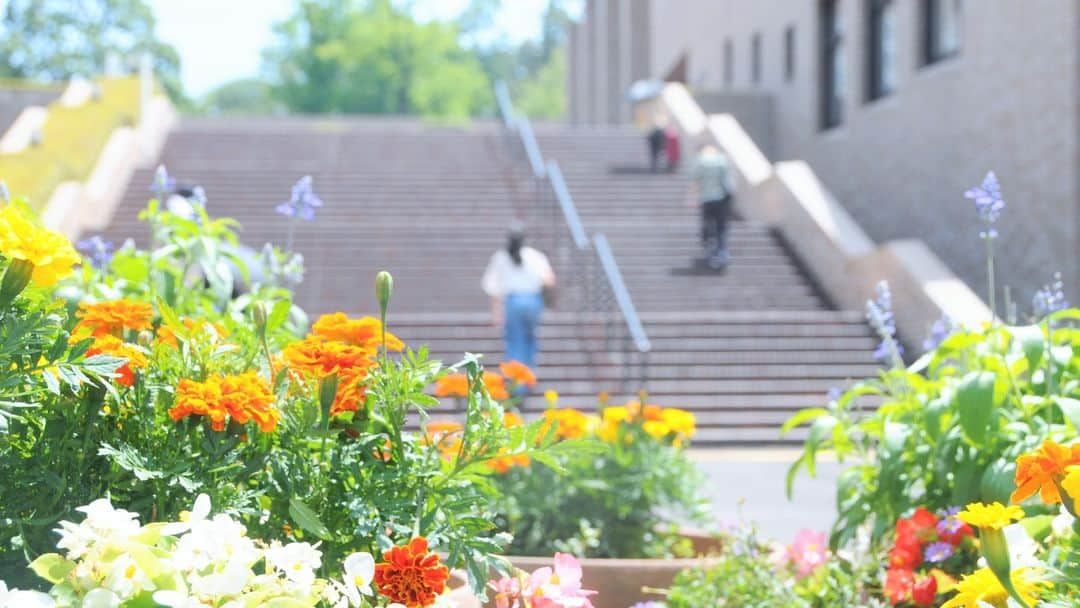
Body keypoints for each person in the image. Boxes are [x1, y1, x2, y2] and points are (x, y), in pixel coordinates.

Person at [482, 224, 555, 373]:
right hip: (533, 300)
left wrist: (496, 313)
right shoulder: (534, 255)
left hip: (513, 301)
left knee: (514, 340)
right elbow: (549, 280)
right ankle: (528, 376)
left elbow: (493, 287)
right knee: (530, 339)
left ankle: (515, 381)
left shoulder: (501, 257)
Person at [690, 144, 737, 269]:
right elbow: (727, 181)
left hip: (706, 199)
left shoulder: (700, 162)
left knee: (708, 224)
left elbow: (695, 180)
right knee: (721, 227)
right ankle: (721, 251)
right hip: (720, 199)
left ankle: (710, 248)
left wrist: (692, 196)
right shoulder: (721, 161)